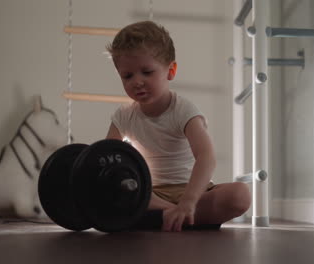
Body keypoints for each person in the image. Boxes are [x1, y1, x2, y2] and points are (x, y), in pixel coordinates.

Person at [105, 21, 251, 232]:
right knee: (114, 193)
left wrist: (189, 201)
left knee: (240, 195)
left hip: (194, 192)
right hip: (150, 195)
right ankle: (176, 216)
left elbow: (206, 157)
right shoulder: (123, 116)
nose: (137, 81)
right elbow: (109, 159)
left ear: (170, 71)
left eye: (146, 72)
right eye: (128, 76)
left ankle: (170, 216)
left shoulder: (184, 110)